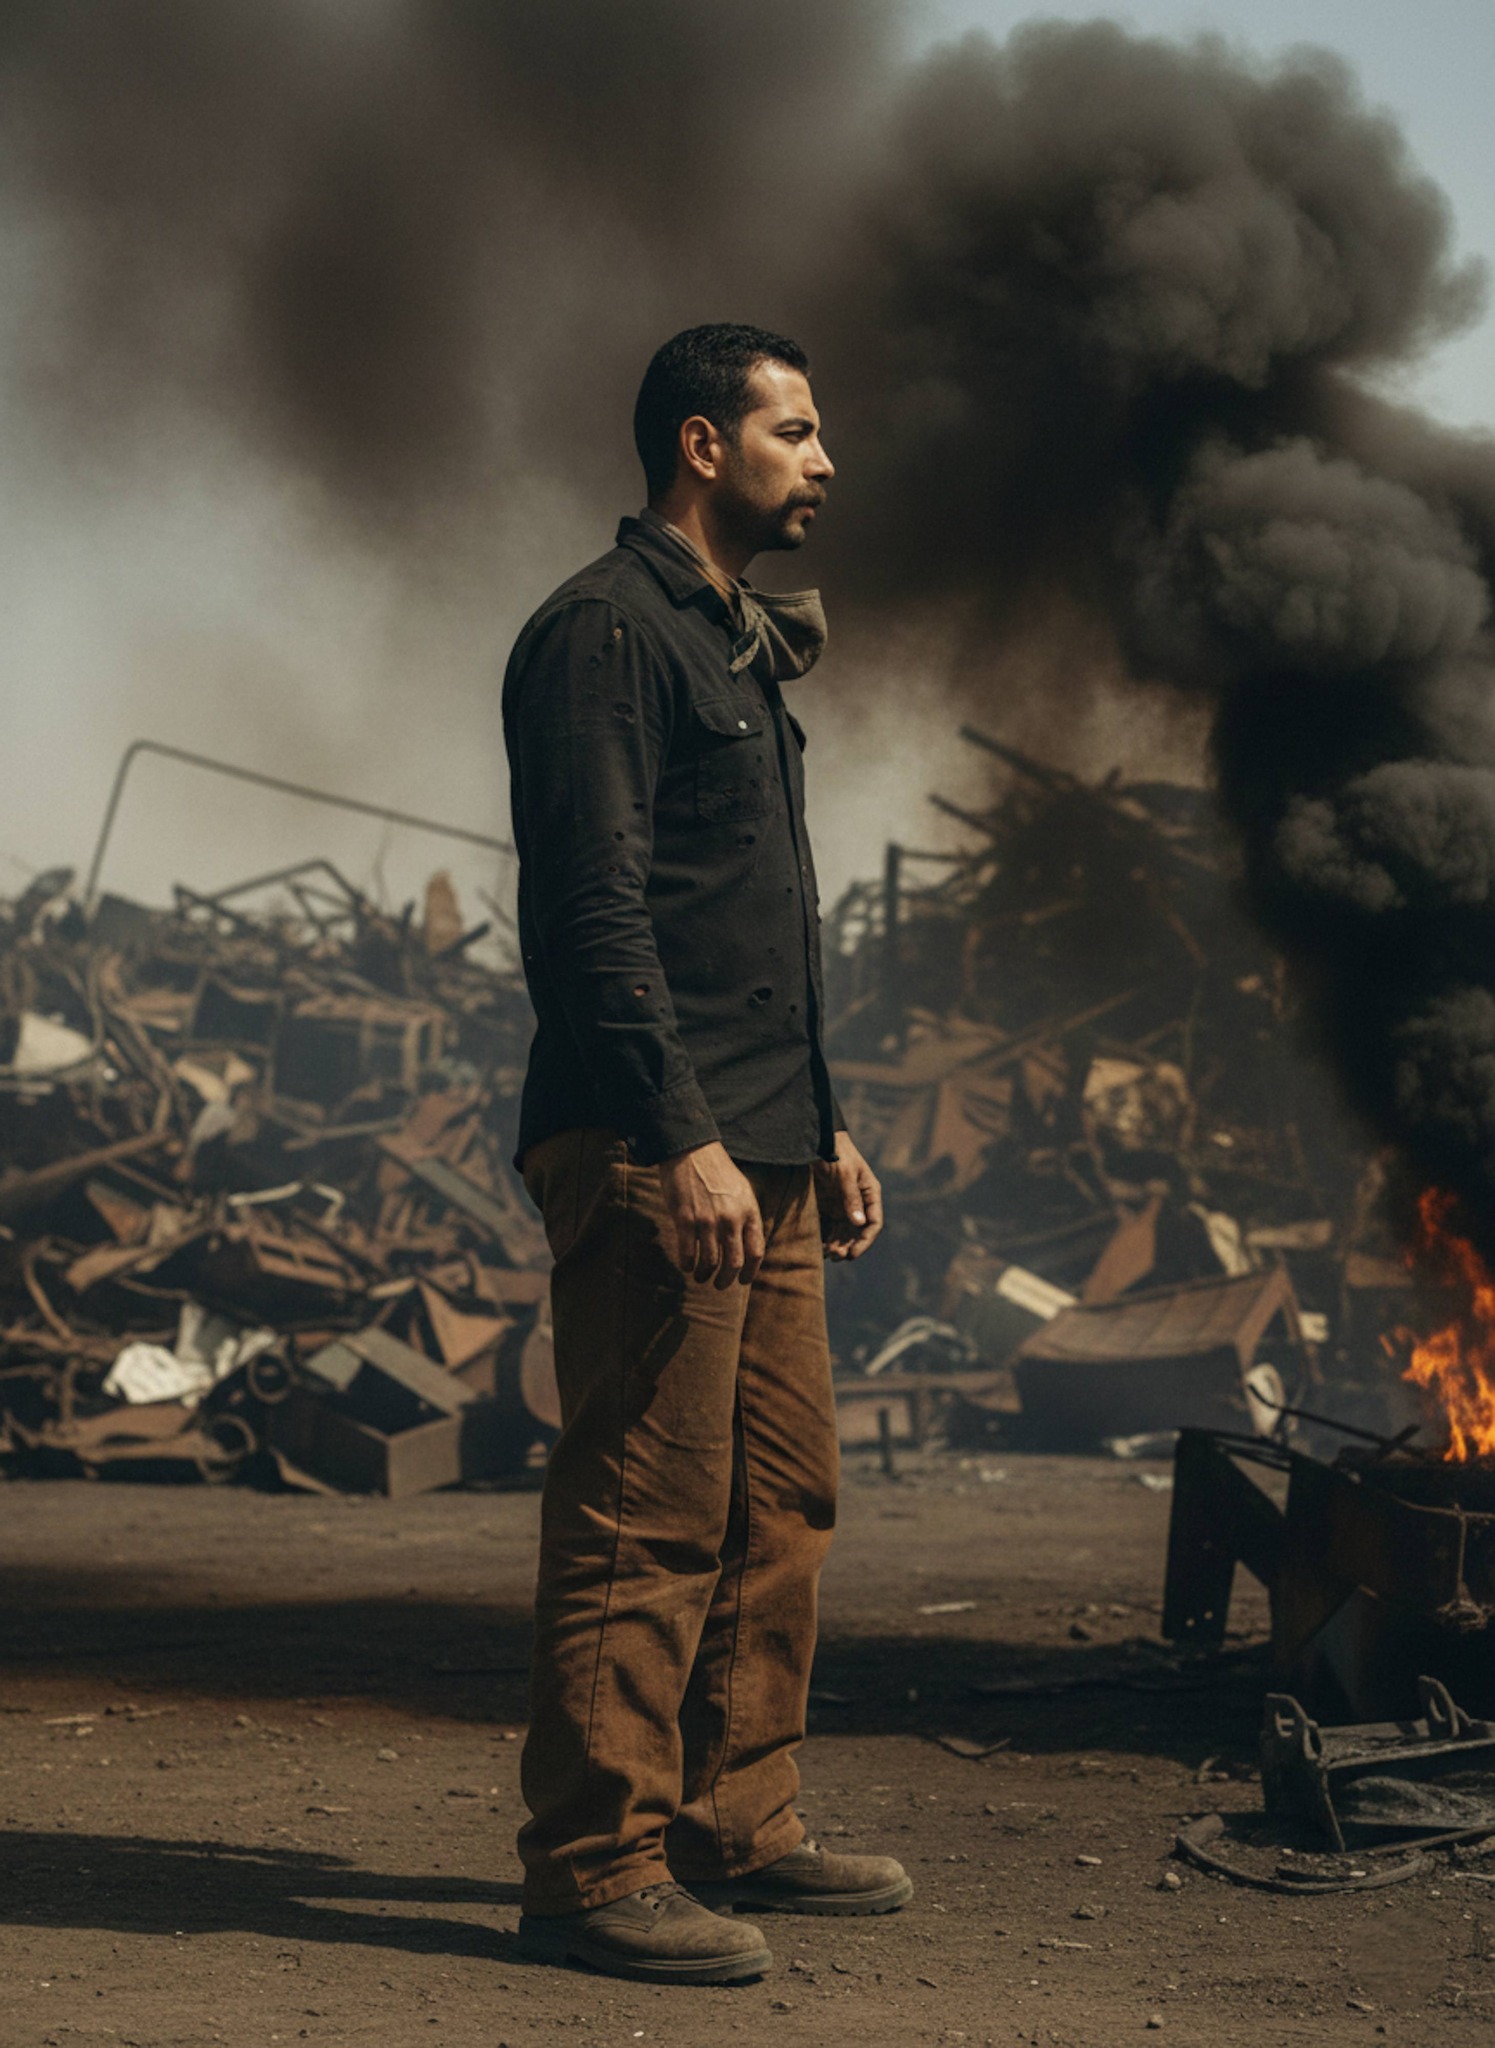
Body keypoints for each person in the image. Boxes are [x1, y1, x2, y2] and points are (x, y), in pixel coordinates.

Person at [503, 322, 909, 1985]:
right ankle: (594, 1866)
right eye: (797, 432)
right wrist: (681, 1141)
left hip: (770, 1148)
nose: (826, 463)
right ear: (699, 445)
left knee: (782, 1499)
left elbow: (738, 924)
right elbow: (594, 917)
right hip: (662, 1151)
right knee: (646, 1507)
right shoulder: (607, 636)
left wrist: (821, 1125)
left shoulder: (733, 644)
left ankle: (733, 1818)